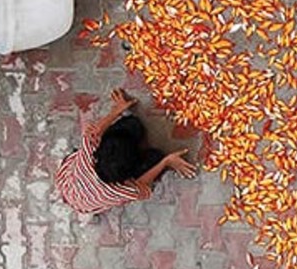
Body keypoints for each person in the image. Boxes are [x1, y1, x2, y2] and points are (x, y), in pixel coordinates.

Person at [55, 88, 198, 215]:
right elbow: (143, 186)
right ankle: (142, 151)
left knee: (132, 125)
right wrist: (167, 161)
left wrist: (118, 109)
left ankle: (125, 136)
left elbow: (95, 132)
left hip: (69, 182)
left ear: (98, 154)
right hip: (87, 200)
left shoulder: (87, 151)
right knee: (156, 157)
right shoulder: (120, 191)